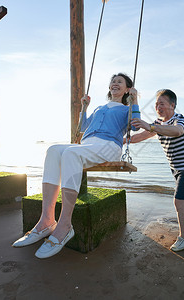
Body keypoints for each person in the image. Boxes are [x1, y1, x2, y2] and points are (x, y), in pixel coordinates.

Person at [13, 73, 140, 258]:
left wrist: (135, 100)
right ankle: (46, 220)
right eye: (113, 81)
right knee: (54, 150)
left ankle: (64, 225)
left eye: (119, 82)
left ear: (127, 89)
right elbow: (82, 127)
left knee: (71, 153)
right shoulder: (99, 108)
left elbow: (135, 126)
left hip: (109, 146)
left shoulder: (125, 109)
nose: (115, 84)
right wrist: (84, 107)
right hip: (88, 144)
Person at [130, 89, 184, 252]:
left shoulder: (179, 119)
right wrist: (120, 140)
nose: (158, 107)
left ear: (172, 105)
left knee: (178, 202)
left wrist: (151, 127)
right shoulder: (158, 124)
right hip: (176, 168)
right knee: (183, 200)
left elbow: (177, 131)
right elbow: (138, 137)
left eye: (162, 103)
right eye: (156, 104)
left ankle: (183, 239)